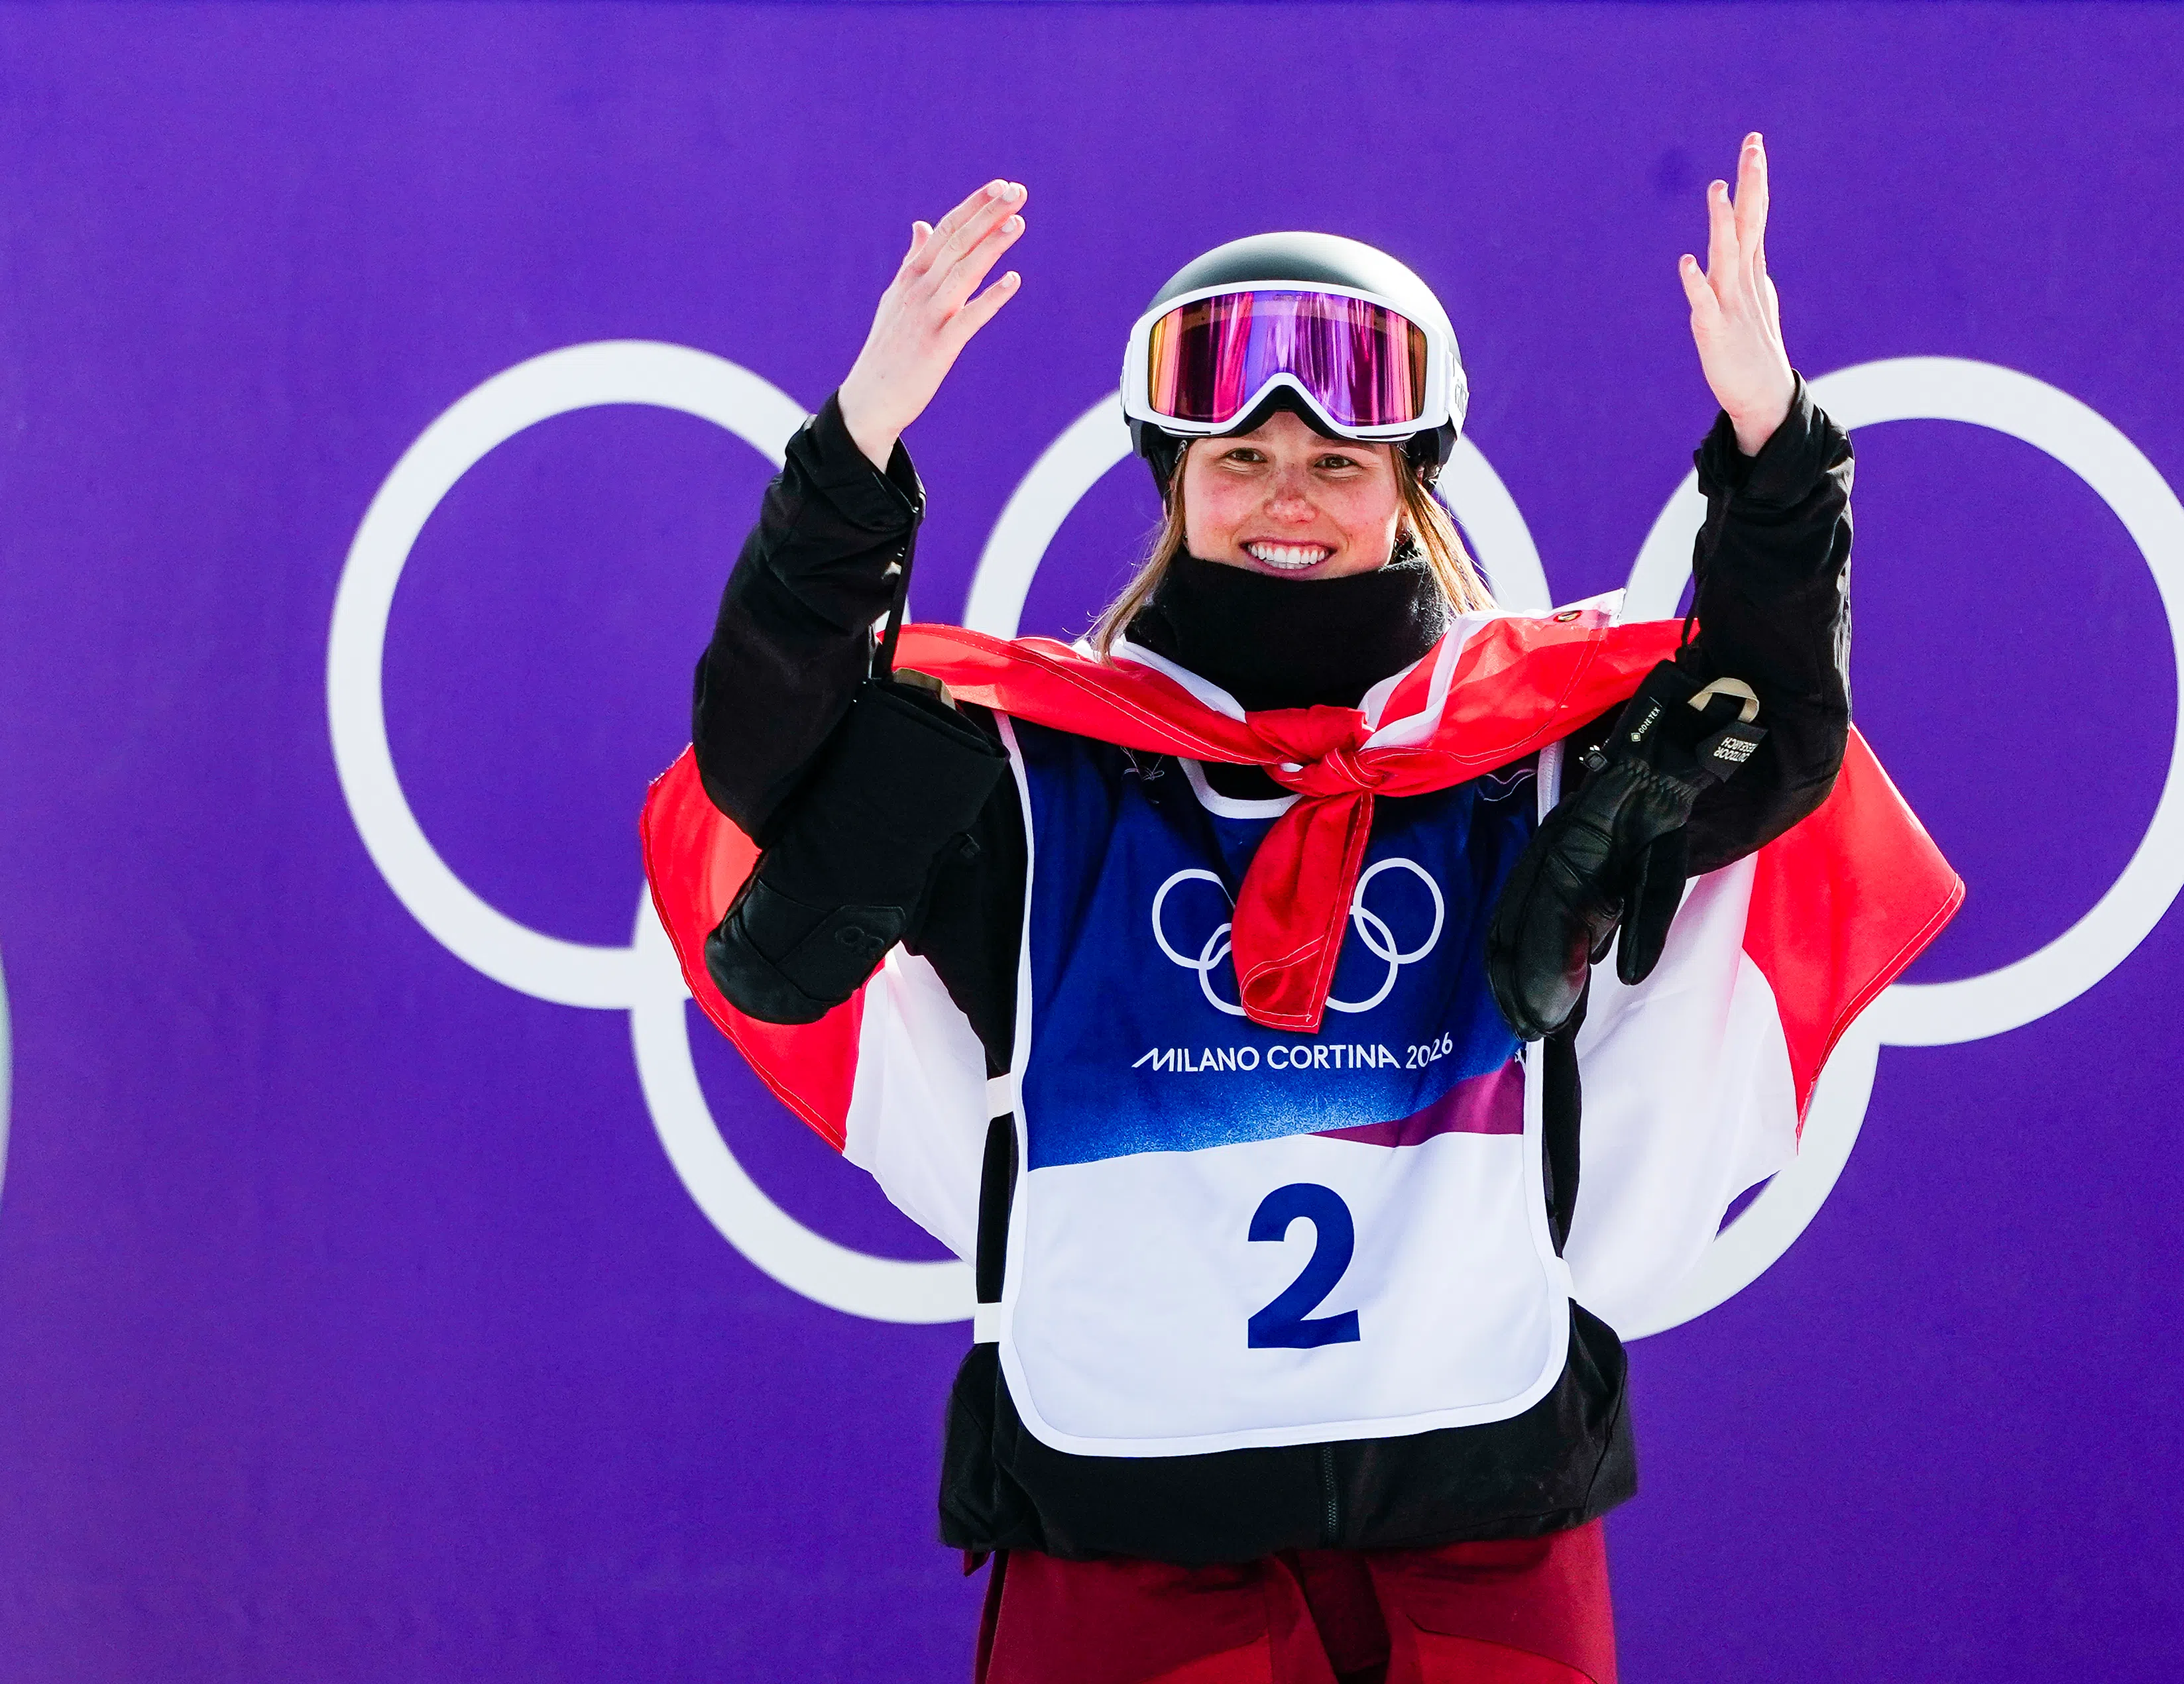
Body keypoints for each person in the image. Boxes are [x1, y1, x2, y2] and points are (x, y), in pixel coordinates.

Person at [651, 136, 1943, 1684]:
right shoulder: (1024, 760)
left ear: (1407, 491)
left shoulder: (1525, 742)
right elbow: (762, 757)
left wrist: (1774, 445)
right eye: (1241, 460)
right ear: (1173, 480)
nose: (1289, 499)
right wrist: (857, 445)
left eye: (1337, 464)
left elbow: (1775, 730)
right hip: (1125, 1526)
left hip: (1481, 1510)